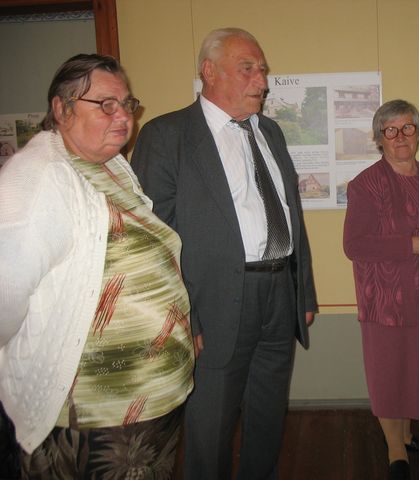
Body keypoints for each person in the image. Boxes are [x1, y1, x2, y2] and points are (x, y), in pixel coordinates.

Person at [131, 27, 317, 480]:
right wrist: (183, 316)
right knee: (210, 428)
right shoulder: (168, 135)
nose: (262, 81)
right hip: (212, 304)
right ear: (209, 72)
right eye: (247, 68)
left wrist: (303, 292)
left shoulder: (270, 131)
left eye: (263, 70)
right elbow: (153, 239)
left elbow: (291, 215)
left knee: (268, 419)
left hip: (279, 293)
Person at [0, 53, 195, 479]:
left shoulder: (110, 165)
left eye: (127, 103)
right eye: (106, 104)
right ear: (62, 108)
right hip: (95, 414)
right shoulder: (37, 179)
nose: (123, 116)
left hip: (146, 402)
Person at [343, 99, 419, 480]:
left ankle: (407, 436)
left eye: (407, 128)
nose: (400, 137)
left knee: (417, 371)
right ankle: (395, 449)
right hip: (387, 300)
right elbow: (354, 245)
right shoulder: (366, 185)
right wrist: (412, 245)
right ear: (379, 139)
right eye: (390, 130)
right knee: (390, 373)